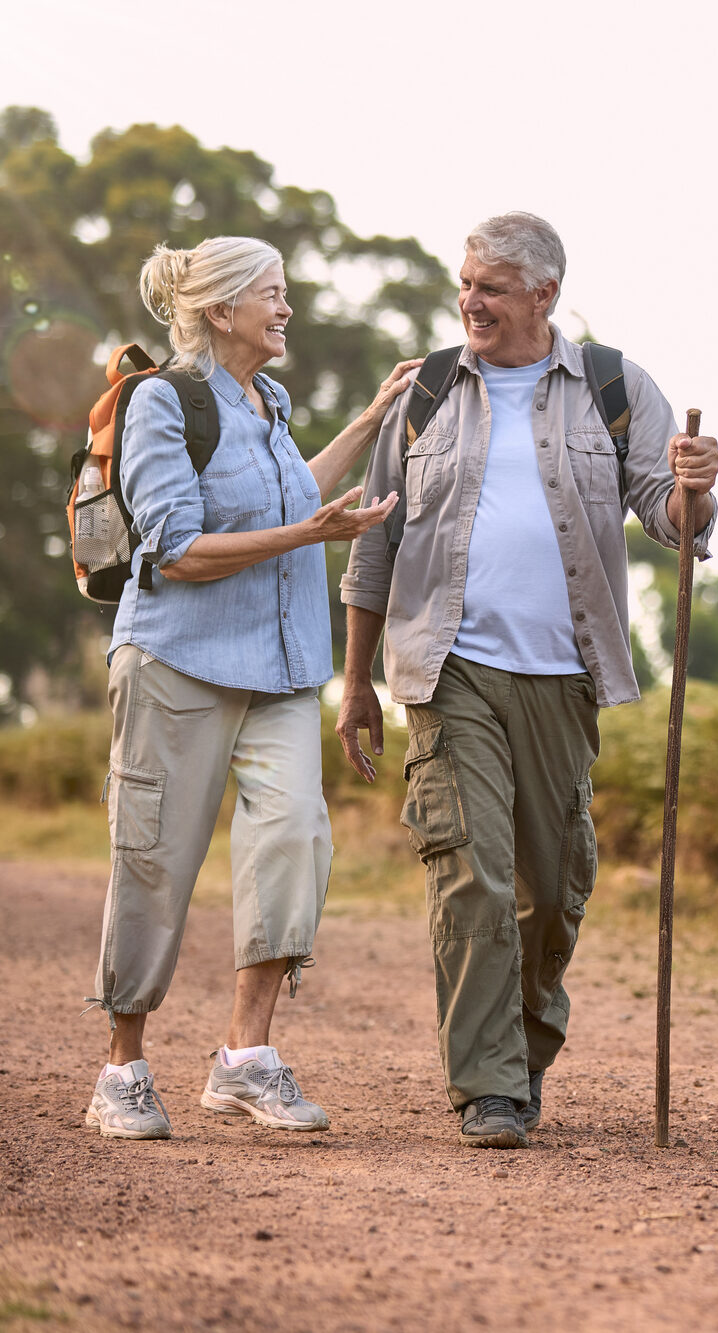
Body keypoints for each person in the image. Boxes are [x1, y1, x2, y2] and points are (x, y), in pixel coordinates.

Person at [337, 212, 718, 1149]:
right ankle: (489, 1087)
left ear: (543, 296)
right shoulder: (425, 391)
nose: (470, 300)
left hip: (563, 674)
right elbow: (373, 544)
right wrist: (355, 683)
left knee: (549, 890)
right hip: (445, 668)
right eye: (465, 283)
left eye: (492, 287)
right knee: (472, 873)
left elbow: (674, 522)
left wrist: (695, 485)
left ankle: (522, 1047)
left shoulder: (614, 388)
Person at [85, 236, 417, 1140]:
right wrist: (312, 536)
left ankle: (244, 1058)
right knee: (155, 860)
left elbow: (290, 503)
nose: (287, 310)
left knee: (294, 841)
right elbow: (180, 548)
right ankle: (122, 1067)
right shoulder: (166, 402)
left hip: (279, 671)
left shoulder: (266, 400)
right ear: (222, 310)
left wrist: (371, 418)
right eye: (272, 295)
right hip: (175, 665)